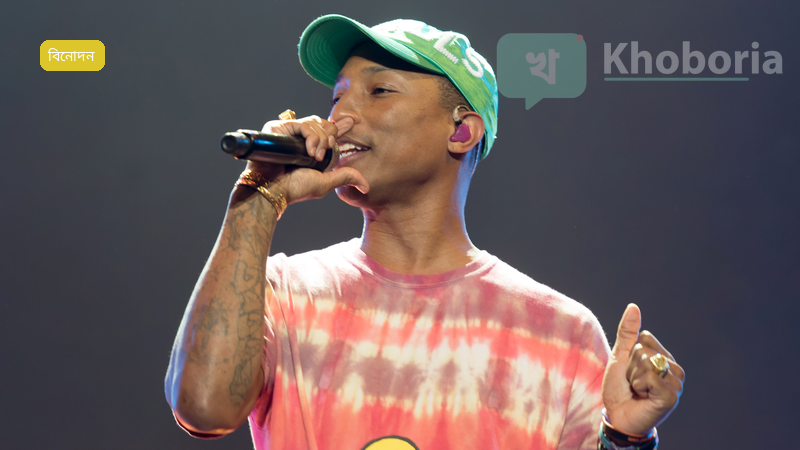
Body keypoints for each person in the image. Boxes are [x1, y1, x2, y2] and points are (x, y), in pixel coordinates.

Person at [164, 14, 684, 450]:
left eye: (378, 90)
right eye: (337, 97)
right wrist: (258, 195)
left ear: (461, 130)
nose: (340, 117)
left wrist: (624, 439)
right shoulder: (284, 294)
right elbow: (204, 408)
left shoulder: (560, 333)